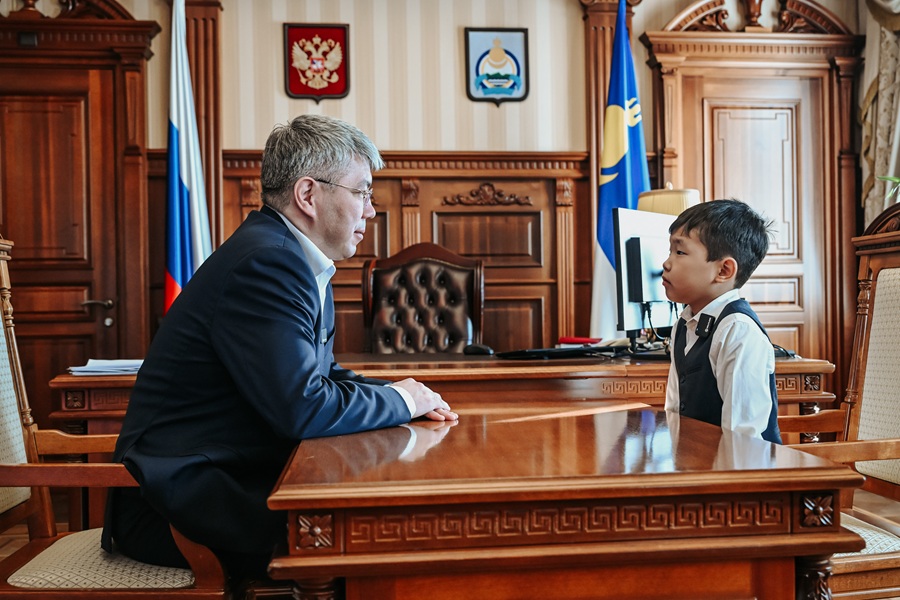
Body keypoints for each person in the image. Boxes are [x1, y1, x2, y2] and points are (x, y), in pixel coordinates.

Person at [101, 114, 458, 581]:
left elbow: (322, 376)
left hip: (225, 477)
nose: (371, 211)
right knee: (383, 542)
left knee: (387, 528)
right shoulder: (268, 262)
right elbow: (303, 407)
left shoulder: (290, 255)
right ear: (308, 195)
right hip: (180, 503)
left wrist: (405, 396)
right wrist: (401, 401)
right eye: (362, 192)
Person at [661, 199, 781, 443]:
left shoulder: (738, 331)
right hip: (696, 460)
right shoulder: (683, 324)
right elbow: (674, 412)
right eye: (670, 251)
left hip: (740, 463)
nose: (667, 262)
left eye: (680, 252)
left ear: (724, 271)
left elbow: (742, 438)